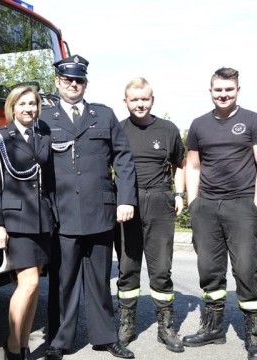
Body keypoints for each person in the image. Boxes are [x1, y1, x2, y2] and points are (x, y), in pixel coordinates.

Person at [43, 54, 137, 360]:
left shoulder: (104, 115)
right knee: (63, 280)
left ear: (86, 83)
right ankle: (59, 341)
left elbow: (123, 158)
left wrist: (125, 199)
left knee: (99, 280)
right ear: (57, 82)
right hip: (63, 213)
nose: (73, 84)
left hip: (100, 211)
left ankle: (105, 337)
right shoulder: (44, 118)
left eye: (79, 80)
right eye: (68, 79)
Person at [182, 67, 257, 360]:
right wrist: (194, 204)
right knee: (209, 271)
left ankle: (255, 337)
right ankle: (213, 329)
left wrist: (256, 209)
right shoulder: (198, 125)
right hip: (206, 207)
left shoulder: (255, 121)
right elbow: (193, 167)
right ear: (210, 91)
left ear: (237, 90)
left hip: (242, 206)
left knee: (246, 270)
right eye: (218, 90)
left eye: (229, 90)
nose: (223, 95)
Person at [114, 77, 186, 353]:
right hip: (127, 204)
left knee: (161, 270)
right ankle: (126, 324)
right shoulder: (117, 130)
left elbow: (180, 164)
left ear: (152, 100)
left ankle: (166, 328)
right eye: (135, 99)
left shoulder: (168, 130)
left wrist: (178, 195)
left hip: (159, 201)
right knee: (127, 269)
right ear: (126, 102)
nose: (140, 104)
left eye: (145, 99)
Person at [0, 85, 56, 360]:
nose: (29, 109)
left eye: (33, 104)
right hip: (16, 221)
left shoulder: (42, 135)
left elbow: (47, 181)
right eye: (23, 104)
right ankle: (12, 347)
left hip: (41, 221)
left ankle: (24, 344)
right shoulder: (0, 136)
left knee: (35, 285)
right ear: (12, 108)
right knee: (28, 283)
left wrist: (52, 217)